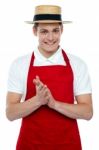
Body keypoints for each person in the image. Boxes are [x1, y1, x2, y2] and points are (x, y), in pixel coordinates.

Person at [6, 5, 93, 150]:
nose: (51, 38)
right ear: (35, 31)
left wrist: (54, 104)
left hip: (68, 145)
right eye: (44, 31)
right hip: (30, 145)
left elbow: (88, 112)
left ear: (62, 30)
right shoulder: (20, 64)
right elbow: (10, 113)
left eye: (55, 31)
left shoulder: (78, 64)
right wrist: (38, 100)